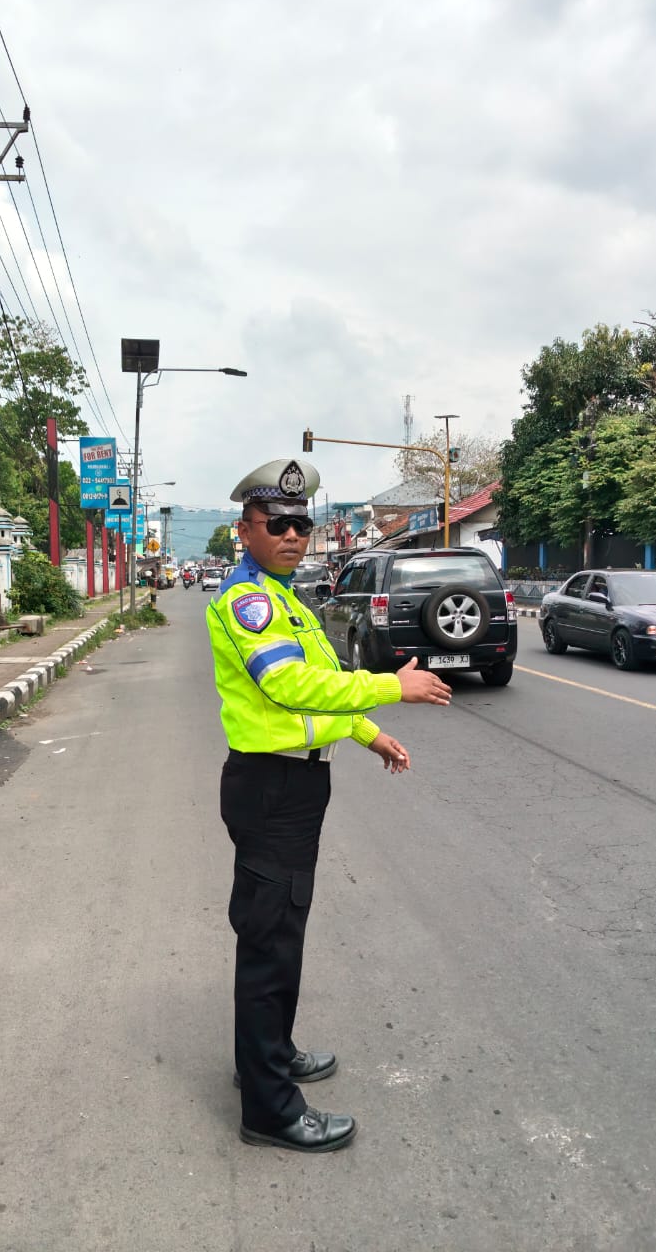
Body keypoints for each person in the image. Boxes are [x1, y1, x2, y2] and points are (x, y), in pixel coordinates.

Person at [206, 457, 452, 1153]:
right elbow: (288, 686)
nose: (292, 534)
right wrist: (390, 688)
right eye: (276, 523)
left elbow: (324, 687)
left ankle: (269, 1055)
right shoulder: (249, 603)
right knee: (269, 944)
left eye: (301, 523)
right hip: (271, 787)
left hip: (294, 784)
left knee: (282, 934)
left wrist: (370, 734)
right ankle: (269, 1111)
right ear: (245, 531)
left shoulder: (287, 599)